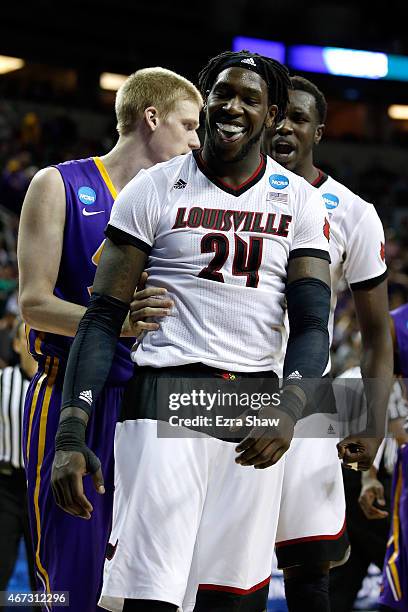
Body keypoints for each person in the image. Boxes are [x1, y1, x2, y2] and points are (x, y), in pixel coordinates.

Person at [51, 50, 333, 612]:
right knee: (150, 599)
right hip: (164, 399)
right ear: (205, 101)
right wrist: (71, 434)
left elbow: (310, 322)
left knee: (234, 600)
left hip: (252, 408)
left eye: (249, 98)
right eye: (222, 93)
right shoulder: (152, 189)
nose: (232, 106)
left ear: (273, 115)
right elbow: (102, 316)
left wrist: (290, 406)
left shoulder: (300, 200)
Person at [17, 67, 202, 612]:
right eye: (189, 125)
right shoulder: (60, 185)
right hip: (74, 393)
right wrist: (112, 323)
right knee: (70, 581)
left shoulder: (183, 202)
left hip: (152, 404)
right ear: (152, 118)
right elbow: (34, 303)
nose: (197, 140)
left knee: (147, 584)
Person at [264, 75, 393, 612]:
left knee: (308, 560)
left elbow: (377, 333)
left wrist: (371, 423)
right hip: (224, 386)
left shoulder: (353, 211)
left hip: (312, 397)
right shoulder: (212, 186)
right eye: (278, 114)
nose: (284, 126)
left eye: (298, 117)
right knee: (215, 557)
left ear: (319, 130)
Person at [0, 319, 37, 599]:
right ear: (16, 344)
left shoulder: (57, 382)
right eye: (28, 337)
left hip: (42, 489)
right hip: (7, 488)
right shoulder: (2, 382)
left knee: (44, 572)